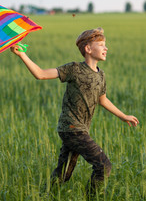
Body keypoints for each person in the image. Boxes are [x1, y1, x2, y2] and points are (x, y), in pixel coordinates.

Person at [10, 27, 139, 197]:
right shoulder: (74, 69)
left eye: (105, 44)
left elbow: (103, 99)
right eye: (101, 44)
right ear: (88, 49)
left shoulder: (101, 76)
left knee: (64, 171)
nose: (106, 48)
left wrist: (123, 116)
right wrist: (22, 55)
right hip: (71, 128)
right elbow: (41, 74)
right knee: (103, 165)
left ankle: (46, 196)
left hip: (80, 128)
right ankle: (92, 197)